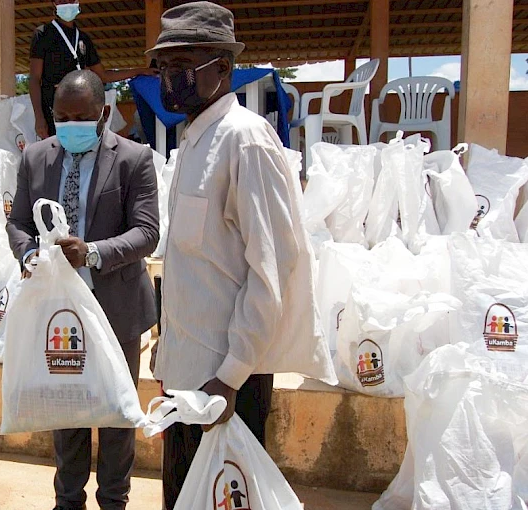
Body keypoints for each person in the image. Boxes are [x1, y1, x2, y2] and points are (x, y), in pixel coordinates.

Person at [145, 3, 334, 508]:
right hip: (187, 377)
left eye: (184, 65)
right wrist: (168, 360)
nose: (169, 79)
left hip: (226, 383)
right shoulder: (192, 142)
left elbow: (271, 269)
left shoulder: (245, 141)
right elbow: (194, 269)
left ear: (223, 68)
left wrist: (229, 378)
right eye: (162, 67)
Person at [6, 69, 159, 510]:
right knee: (66, 409)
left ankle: (114, 501)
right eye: (61, 116)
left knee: (115, 413)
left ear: (104, 113)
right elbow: (16, 222)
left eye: (81, 116)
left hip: (115, 305)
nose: (70, 124)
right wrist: (27, 255)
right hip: (58, 309)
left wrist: (92, 252)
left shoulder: (133, 158)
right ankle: (67, 501)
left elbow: (147, 232)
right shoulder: (36, 157)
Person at [29, 0, 158, 140]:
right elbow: (35, 79)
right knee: (57, 149)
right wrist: (39, 117)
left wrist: (140, 71)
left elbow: (103, 76)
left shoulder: (83, 39)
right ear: (54, 3)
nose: (67, 2)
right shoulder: (43, 34)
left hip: (80, 104)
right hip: (53, 105)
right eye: (62, 0)